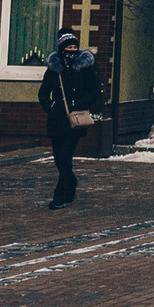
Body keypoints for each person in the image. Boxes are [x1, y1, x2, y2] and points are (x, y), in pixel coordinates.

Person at [37, 28, 103, 210]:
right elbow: (43, 93)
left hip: (75, 120)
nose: (72, 50)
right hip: (57, 119)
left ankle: (60, 195)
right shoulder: (54, 69)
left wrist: (79, 103)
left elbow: (94, 91)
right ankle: (71, 181)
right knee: (59, 158)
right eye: (69, 47)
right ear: (61, 48)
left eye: (75, 47)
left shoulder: (84, 68)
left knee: (66, 156)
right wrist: (51, 107)